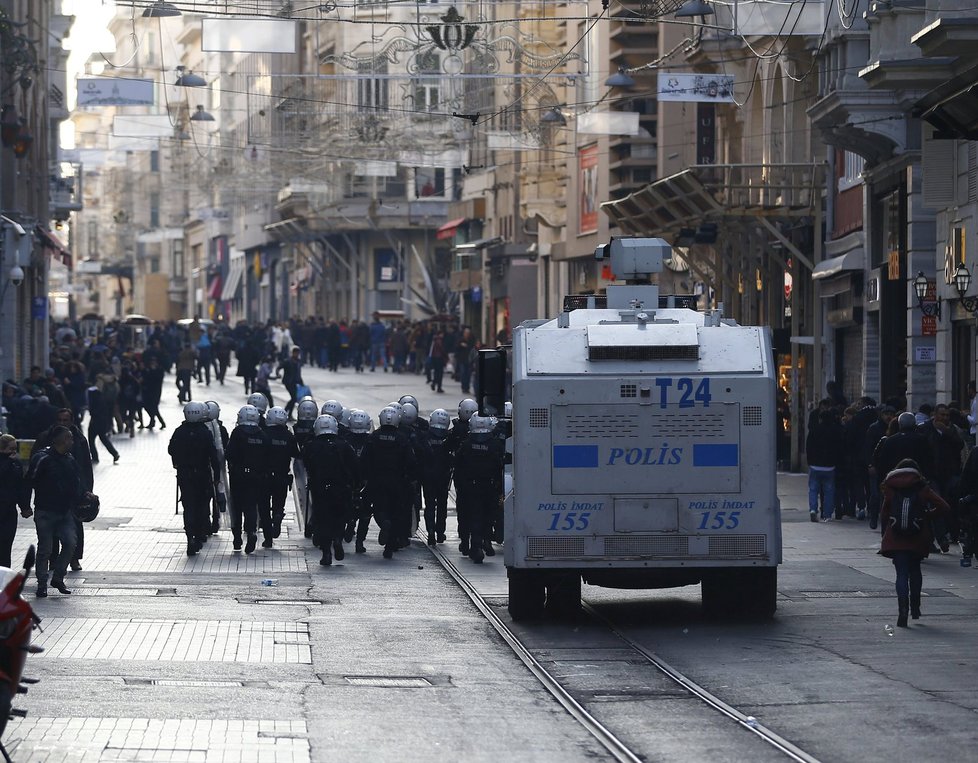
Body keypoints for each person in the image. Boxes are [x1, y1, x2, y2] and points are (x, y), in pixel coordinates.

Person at [879, 458, 949, 627]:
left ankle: (902, 610)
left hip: (896, 537)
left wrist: (885, 534)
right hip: (917, 537)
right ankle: (915, 608)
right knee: (915, 571)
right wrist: (926, 516)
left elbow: (884, 513)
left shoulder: (891, 487)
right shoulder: (922, 488)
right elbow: (944, 506)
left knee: (901, 574)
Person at [25, 426, 91, 597]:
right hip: (45, 510)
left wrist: (85, 494)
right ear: (62, 440)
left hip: (65, 511)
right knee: (45, 549)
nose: (72, 441)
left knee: (70, 543)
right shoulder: (42, 458)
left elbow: (77, 481)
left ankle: (58, 577)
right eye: (70, 438)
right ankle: (42, 583)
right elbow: (29, 481)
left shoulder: (69, 459)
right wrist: (26, 505)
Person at [34, 408, 93, 572]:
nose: (62, 423)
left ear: (72, 421)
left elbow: (85, 466)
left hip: (73, 492)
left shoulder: (79, 440)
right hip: (50, 496)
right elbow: (34, 468)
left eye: (65, 420)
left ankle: (73, 558)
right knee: (50, 535)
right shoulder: (46, 438)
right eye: (59, 420)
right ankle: (53, 564)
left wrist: (86, 490)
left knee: (74, 529)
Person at [361, 406, 417, 559]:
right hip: (397, 482)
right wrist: (411, 478)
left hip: (376, 481)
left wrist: (364, 477)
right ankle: (390, 547)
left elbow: (364, 459)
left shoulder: (373, 437)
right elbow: (411, 461)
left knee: (375, 508)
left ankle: (380, 525)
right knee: (396, 513)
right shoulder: (402, 438)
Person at [303, 415, 358, 565]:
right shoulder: (344, 445)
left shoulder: (311, 445)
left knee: (323, 520)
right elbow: (355, 466)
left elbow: (306, 464)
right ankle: (338, 539)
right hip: (341, 488)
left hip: (320, 489)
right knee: (339, 517)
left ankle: (326, 551)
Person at [168, 402, 220, 557]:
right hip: (202, 474)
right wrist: (217, 476)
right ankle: (198, 535)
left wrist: (178, 462)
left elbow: (171, 449)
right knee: (201, 505)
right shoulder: (204, 432)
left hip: (185, 474)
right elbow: (213, 455)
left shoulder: (180, 431)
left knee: (189, 506)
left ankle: (190, 536)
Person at [453, 415, 505, 563]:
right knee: (488, 516)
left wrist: (460, 487)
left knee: (470, 516)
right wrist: (499, 488)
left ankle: (474, 545)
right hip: (489, 487)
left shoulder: (466, 445)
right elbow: (500, 467)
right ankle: (486, 540)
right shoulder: (495, 445)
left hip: (470, 487)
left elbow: (457, 467)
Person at [226, 405, 269, 554]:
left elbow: (229, 453)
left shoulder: (237, 433)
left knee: (237, 507)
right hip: (256, 477)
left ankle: (237, 538)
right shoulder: (261, 434)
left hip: (238, 476)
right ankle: (251, 531)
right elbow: (266, 456)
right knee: (251, 506)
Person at [263, 406, 300, 547]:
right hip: (282, 476)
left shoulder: (264, 433)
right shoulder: (288, 436)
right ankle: (278, 515)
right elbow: (296, 454)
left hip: (265, 476)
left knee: (265, 507)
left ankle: (268, 539)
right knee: (279, 503)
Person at [423, 409, 454, 546]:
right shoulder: (449, 437)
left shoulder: (425, 436)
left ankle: (430, 531)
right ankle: (440, 532)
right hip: (444, 475)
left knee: (429, 504)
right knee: (442, 504)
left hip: (428, 474)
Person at [0, 434, 31, 569]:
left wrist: (25, 507)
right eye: (10, 449)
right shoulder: (10, 463)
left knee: (6, 546)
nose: (14, 452)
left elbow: (21, 487)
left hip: (8, 511)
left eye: (15, 449)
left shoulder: (16, 464)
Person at [86, 384, 120, 465]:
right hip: (102, 423)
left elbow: (93, 412)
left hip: (95, 422)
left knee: (91, 440)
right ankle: (114, 453)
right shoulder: (102, 399)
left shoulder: (93, 400)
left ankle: (95, 457)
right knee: (103, 438)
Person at [141, 356, 166, 430]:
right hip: (148, 391)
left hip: (156, 391)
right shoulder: (147, 369)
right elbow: (145, 378)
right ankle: (157, 422)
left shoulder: (160, 370)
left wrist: (153, 370)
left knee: (154, 407)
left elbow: (158, 379)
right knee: (148, 406)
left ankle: (157, 422)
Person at [280, 347, 304, 420]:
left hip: (294, 382)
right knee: (293, 398)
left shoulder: (298, 361)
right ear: (293, 353)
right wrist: (278, 373)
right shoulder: (288, 361)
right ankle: (286, 412)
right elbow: (280, 366)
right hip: (288, 382)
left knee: (294, 398)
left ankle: (287, 413)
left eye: (298, 353)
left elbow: (298, 373)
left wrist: (301, 381)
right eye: (295, 353)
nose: (297, 354)